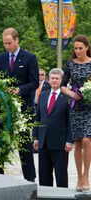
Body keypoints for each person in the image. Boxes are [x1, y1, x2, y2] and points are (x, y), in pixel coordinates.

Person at [0, 27, 39, 182]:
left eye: (9, 43)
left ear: (17, 40)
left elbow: (34, 83)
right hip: (4, 109)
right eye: (5, 44)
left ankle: (30, 179)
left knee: (24, 145)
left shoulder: (29, 58)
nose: (7, 46)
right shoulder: (0, 59)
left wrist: (19, 89)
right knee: (0, 142)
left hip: (23, 109)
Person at [33, 68, 73, 188]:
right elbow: (37, 118)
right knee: (44, 176)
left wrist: (70, 141)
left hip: (60, 144)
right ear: (48, 80)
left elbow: (70, 121)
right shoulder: (43, 96)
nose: (54, 80)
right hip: (43, 141)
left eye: (57, 78)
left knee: (61, 176)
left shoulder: (67, 98)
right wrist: (35, 137)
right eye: (52, 78)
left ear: (61, 80)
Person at [61, 34, 91, 191]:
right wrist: (70, 93)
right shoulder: (70, 64)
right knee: (78, 141)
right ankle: (79, 177)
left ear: (87, 47)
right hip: (76, 107)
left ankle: (86, 176)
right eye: (76, 48)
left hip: (89, 107)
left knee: (87, 140)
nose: (78, 51)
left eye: (81, 48)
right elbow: (62, 85)